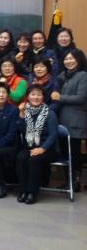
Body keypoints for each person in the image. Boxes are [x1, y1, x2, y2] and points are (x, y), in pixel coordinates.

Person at [16, 85, 59, 204]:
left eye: (39, 94)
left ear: (43, 97)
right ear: (28, 97)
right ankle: (23, 190)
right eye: (33, 94)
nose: (36, 97)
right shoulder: (26, 112)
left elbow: (53, 135)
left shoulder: (50, 113)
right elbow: (21, 131)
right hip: (30, 147)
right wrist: (21, 114)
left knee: (34, 160)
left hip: (49, 149)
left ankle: (32, 192)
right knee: (21, 157)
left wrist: (42, 149)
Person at [52, 48, 87, 191]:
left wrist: (60, 97)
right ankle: (69, 182)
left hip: (75, 120)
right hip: (62, 119)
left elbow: (81, 98)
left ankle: (75, 182)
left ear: (79, 60)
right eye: (66, 59)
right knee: (65, 152)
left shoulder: (83, 75)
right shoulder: (63, 75)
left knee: (74, 153)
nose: (68, 61)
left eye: (72, 58)